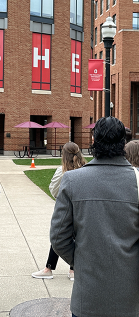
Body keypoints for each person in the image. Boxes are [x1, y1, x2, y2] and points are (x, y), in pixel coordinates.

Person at [51, 117, 139, 317]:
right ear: (123, 143)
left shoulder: (72, 180)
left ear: (93, 140)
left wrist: (82, 261)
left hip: (88, 295)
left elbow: (58, 238)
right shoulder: (137, 180)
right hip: (130, 295)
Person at [32, 142, 85, 281]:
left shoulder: (62, 171)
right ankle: (72, 269)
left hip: (66, 208)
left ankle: (49, 268)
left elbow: (53, 189)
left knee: (59, 235)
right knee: (77, 236)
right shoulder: (86, 169)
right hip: (82, 208)